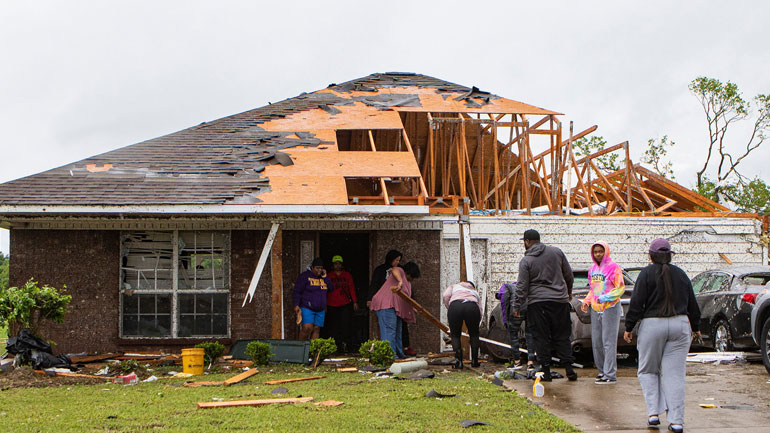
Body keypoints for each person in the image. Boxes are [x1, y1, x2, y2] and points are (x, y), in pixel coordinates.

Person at [623, 238, 701, 433]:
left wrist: (629, 326)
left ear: (651, 256)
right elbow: (693, 303)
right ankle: (676, 422)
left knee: (648, 370)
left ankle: (653, 414)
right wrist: (697, 326)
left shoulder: (646, 274)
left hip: (652, 325)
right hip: (680, 324)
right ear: (670, 256)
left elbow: (637, 302)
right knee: (674, 375)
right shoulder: (681, 274)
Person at [513, 229, 577, 382]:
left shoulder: (526, 261)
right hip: (560, 302)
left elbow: (522, 285)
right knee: (562, 336)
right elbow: (568, 274)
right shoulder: (557, 252)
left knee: (541, 337)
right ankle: (569, 369)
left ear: (527, 242)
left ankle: (546, 371)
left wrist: (517, 306)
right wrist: (568, 291)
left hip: (538, 304)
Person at [581, 241, 625, 385]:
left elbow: (620, 288)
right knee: (597, 342)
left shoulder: (614, 267)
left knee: (608, 342)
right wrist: (587, 301)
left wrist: (604, 298)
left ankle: (610, 374)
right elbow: (593, 290)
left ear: (606, 251)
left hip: (610, 307)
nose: (598, 254)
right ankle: (601, 371)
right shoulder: (592, 269)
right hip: (596, 309)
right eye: (595, 252)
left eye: (601, 251)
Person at [368, 250, 415, 356]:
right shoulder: (399, 271)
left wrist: (413, 306)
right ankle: (390, 355)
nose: (398, 262)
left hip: (394, 306)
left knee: (398, 330)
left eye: (399, 260)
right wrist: (400, 281)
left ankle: (398, 352)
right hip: (385, 304)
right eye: (396, 260)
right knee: (389, 330)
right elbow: (395, 270)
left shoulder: (408, 283)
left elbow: (408, 297)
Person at [293, 257, 334, 341]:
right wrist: (296, 304)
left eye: (321, 268)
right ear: (312, 268)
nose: (319, 270)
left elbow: (331, 288)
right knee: (307, 328)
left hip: (320, 309)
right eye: (317, 268)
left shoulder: (323, 278)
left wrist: (325, 277)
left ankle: (312, 351)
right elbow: (297, 291)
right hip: (307, 307)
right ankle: (300, 349)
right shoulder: (304, 276)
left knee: (316, 329)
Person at [444, 280, 482, 369]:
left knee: (455, 335)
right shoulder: (474, 292)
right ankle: (474, 361)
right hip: (472, 307)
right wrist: (476, 324)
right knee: (474, 335)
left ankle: (459, 362)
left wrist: (449, 307)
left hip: (455, 306)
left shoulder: (454, 286)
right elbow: (480, 309)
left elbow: (445, 295)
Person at [497, 282, 536, 370]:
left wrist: (506, 320)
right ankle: (530, 363)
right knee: (530, 334)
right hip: (530, 308)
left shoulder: (505, 287)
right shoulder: (528, 286)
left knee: (513, 334)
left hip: (516, 309)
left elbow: (505, 304)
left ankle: (517, 362)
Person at [325, 255, 358, 352]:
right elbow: (324, 290)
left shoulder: (347, 275)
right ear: (333, 265)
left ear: (342, 264)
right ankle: (336, 347)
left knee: (345, 326)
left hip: (345, 304)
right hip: (331, 304)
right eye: (335, 263)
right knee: (334, 326)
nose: (337, 265)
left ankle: (347, 346)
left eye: (339, 263)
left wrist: (355, 301)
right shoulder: (329, 276)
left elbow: (351, 288)